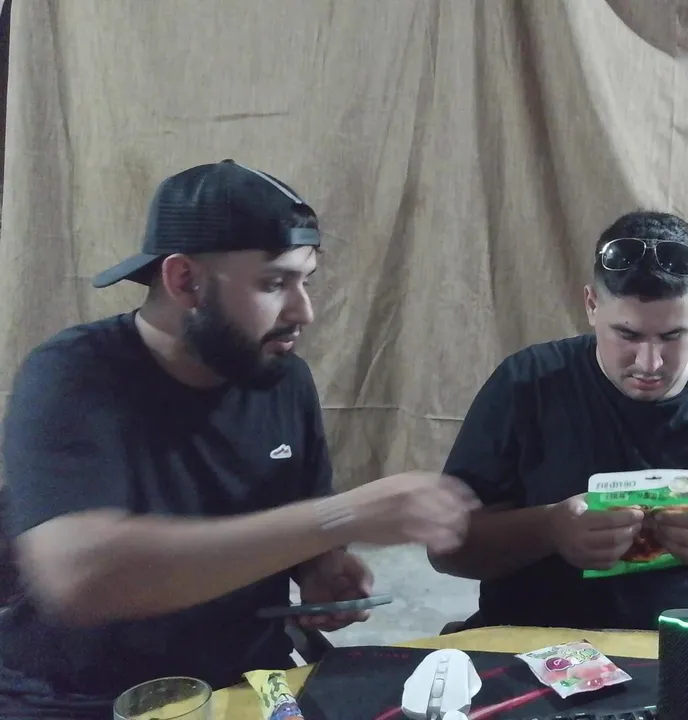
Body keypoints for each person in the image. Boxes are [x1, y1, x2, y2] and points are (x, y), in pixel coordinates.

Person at [0, 159, 478, 718]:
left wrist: (320, 567)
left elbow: (302, 524)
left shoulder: (284, 378)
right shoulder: (72, 375)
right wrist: (342, 518)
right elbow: (83, 575)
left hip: (246, 679)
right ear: (185, 281)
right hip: (79, 699)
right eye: (274, 283)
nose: (304, 311)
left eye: (305, 281)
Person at [428, 210, 688, 640]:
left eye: (672, 336)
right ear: (591, 305)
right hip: (538, 645)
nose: (650, 363)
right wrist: (549, 528)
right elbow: (445, 549)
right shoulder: (525, 385)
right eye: (627, 335)